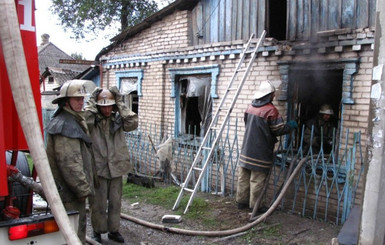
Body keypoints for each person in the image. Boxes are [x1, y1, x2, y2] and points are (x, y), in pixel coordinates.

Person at [45, 79, 97, 244]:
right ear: (65, 101)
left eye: (82, 99)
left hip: (69, 191)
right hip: (69, 193)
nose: (81, 102)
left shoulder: (70, 120)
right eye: (77, 99)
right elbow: (70, 164)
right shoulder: (65, 125)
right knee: (74, 233)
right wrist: (83, 189)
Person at [85, 86, 138, 243]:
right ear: (98, 106)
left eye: (109, 105)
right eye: (103, 106)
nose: (107, 109)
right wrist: (92, 101)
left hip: (116, 167)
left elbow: (133, 122)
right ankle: (98, 231)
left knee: (115, 202)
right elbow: (85, 120)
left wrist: (120, 102)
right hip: (98, 168)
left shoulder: (118, 119)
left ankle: (114, 230)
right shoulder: (92, 120)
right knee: (98, 203)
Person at [236, 80, 297, 211]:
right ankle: (256, 206)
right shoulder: (270, 110)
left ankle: (241, 202)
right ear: (268, 95)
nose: (274, 96)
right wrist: (290, 126)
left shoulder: (250, 107)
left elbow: (247, 123)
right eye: (273, 94)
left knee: (244, 177)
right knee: (257, 180)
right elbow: (278, 129)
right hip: (260, 151)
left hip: (247, 149)